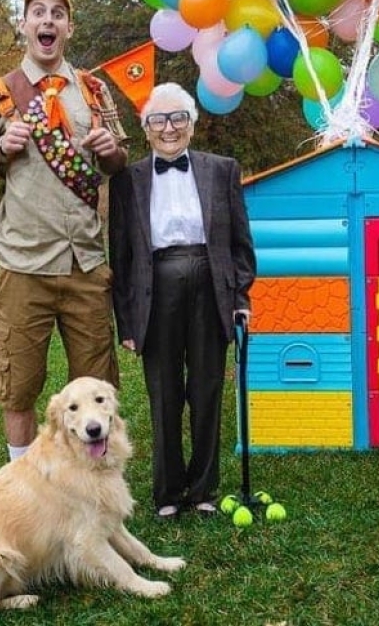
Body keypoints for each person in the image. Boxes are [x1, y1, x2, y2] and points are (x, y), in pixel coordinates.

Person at [0, 0, 128, 462]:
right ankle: (23, 490)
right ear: (24, 25)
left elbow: (118, 161)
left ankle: (93, 489)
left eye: (57, 13)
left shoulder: (93, 90)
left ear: (69, 27)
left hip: (86, 264)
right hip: (24, 264)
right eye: (38, 12)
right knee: (19, 387)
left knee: (96, 388)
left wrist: (112, 151)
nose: (47, 20)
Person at [108, 81, 256, 518]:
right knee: (164, 392)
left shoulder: (223, 169)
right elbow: (122, 253)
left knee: (208, 388)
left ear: (192, 125)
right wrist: (128, 322)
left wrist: (240, 295)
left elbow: (239, 242)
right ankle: (169, 492)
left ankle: (204, 489)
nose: (168, 128)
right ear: (145, 128)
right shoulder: (126, 180)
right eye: (158, 119)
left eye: (177, 118)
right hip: (156, 288)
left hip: (212, 285)